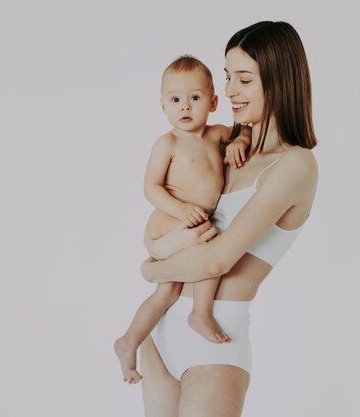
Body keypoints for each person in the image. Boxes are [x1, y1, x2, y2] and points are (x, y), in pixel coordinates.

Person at [138, 21, 319, 416]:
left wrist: (150, 269)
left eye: (244, 79)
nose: (230, 91)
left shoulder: (294, 165)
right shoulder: (227, 147)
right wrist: (157, 247)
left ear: (278, 80)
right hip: (162, 330)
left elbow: (217, 259)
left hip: (215, 340)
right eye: (226, 77)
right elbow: (170, 211)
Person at [114, 55, 252, 384]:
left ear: (213, 101)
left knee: (167, 292)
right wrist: (178, 209)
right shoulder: (168, 143)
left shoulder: (216, 134)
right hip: (170, 219)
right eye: (175, 100)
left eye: (195, 98)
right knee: (210, 249)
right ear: (163, 105)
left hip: (191, 221)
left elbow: (243, 129)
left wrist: (241, 142)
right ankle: (201, 313)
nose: (185, 107)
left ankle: (128, 340)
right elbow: (151, 186)